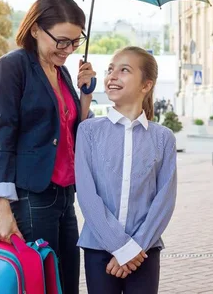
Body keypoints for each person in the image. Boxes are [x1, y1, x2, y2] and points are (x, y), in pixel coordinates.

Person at [0, 0, 96, 294]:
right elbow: (1, 138)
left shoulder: (61, 73)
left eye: (75, 42)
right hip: (33, 196)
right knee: (43, 286)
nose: (68, 50)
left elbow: (73, 133)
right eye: (61, 41)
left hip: (65, 195)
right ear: (35, 29)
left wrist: (84, 96)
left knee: (68, 283)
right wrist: (3, 209)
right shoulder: (12, 67)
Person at [75, 46, 178, 294]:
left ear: (146, 86)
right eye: (111, 69)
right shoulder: (88, 131)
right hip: (98, 249)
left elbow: (165, 199)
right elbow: (87, 196)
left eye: (124, 70)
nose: (113, 76)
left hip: (144, 250)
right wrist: (120, 248)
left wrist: (134, 249)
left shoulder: (163, 138)